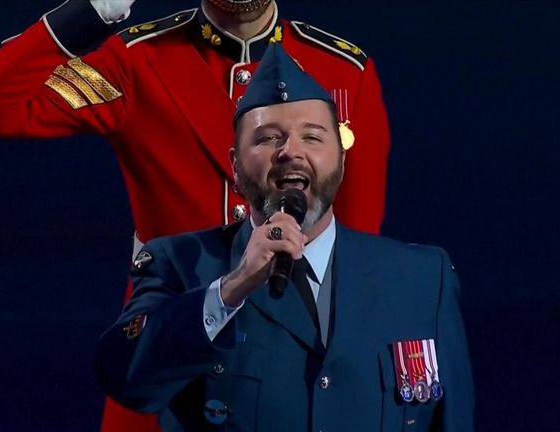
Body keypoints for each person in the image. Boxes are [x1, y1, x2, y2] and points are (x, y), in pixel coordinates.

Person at [0, 0, 390, 429]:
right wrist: (90, 11)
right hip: (166, 354)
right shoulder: (138, 62)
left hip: (295, 366)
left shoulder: (343, 70)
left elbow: (355, 255)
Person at [96, 42, 473, 432]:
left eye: (312, 137)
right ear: (235, 166)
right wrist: (233, 287)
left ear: (341, 161)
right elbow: (123, 376)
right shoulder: (181, 263)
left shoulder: (423, 278)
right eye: (267, 138)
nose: (290, 151)